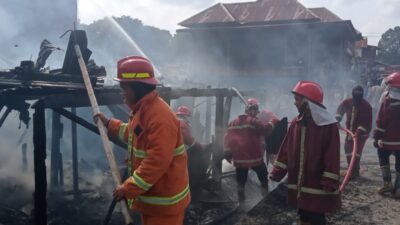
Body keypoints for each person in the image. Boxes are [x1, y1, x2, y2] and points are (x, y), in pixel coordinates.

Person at [94, 56, 190, 225]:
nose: (122, 91)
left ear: (137, 88)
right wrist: (109, 124)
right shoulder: (144, 110)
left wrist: (128, 187)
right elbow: (133, 135)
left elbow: (156, 161)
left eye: (125, 87)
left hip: (165, 204)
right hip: (155, 200)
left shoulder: (159, 117)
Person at [270, 81, 341, 225]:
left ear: (308, 101)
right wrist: (277, 172)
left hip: (317, 183)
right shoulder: (296, 123)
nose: (294, 103)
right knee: (303, 214)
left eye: (297, 99)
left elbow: (332, 156)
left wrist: (329, 180)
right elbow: (285, 150)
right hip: (299, 182)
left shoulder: (328, 125)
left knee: (316, 217)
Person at [223, 98, 276, 200]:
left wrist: (228, 155)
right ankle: (265, 199)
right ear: (251, 109)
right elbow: (265, 130)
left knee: (241, 183)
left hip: (240, 161)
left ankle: (241, 204)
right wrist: (272, 122)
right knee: (263, 177)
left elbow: (227, 140)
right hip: (255, 159)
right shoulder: (253, 121)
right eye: (256, 110)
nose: (257, 113)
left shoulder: (232, 123)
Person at [373, 72, 400, 197]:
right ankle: (398, 189)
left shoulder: (387, 100)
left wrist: (376, 137)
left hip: (388, 140)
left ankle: (387, 183)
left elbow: (381, 121)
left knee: (383, 157)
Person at [336, 86, 372, 178]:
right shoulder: (347, 102)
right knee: (347, 150)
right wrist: (338, 119)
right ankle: (351, 170)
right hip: (349, 132)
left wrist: (358, 132)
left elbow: (367, 122)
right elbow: (340, 110)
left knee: (356, 153)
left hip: (361, 135)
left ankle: (354, 172)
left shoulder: (366, 106)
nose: (357, 95)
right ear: (352, 93)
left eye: (359, 94)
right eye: (356, 93)